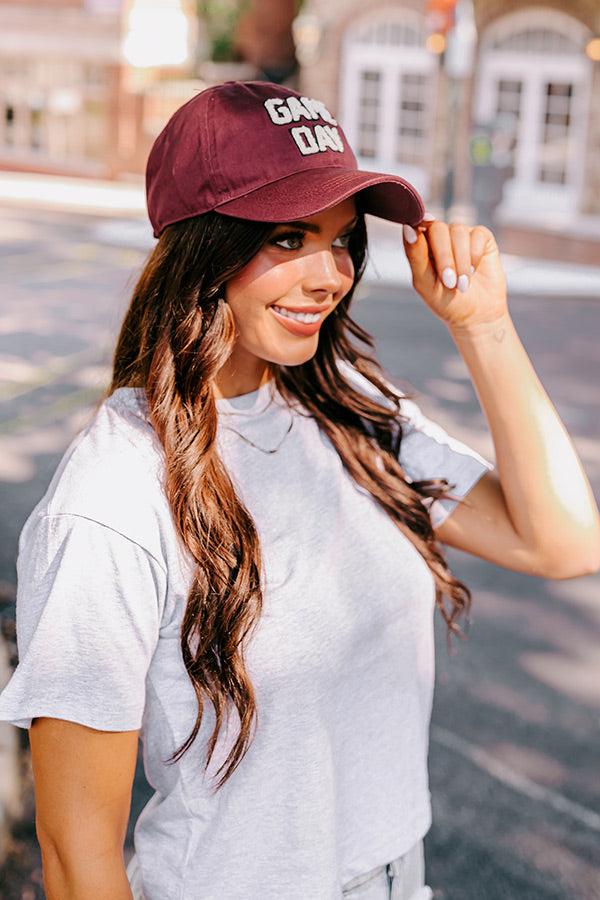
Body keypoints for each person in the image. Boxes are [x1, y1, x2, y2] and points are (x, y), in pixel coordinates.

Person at [1, 80, 599, 900]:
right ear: (201, 249)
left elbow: (563, 542)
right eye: (287, 239)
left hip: (397, 878)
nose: (330, 276)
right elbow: (76, 856)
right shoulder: (112, 498)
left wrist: (483, 324)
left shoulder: (348, 407)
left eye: (343, 240)